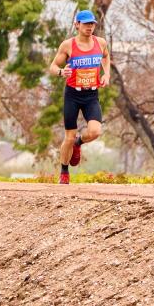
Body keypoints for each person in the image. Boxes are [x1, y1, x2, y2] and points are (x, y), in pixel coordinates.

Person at [48, 10, 110, 184]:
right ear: (77, 25)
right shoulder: (68, 45)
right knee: (68, 136)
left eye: (92, 24)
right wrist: (61, 72)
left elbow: (106, 57)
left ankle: (78, 143)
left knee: (96, 131)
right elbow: (52, 66)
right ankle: (64, 171)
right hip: (73, 95)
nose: (90, 27)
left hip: (91, 94)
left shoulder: (101, 43)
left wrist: (106, 75)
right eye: (86, 24)